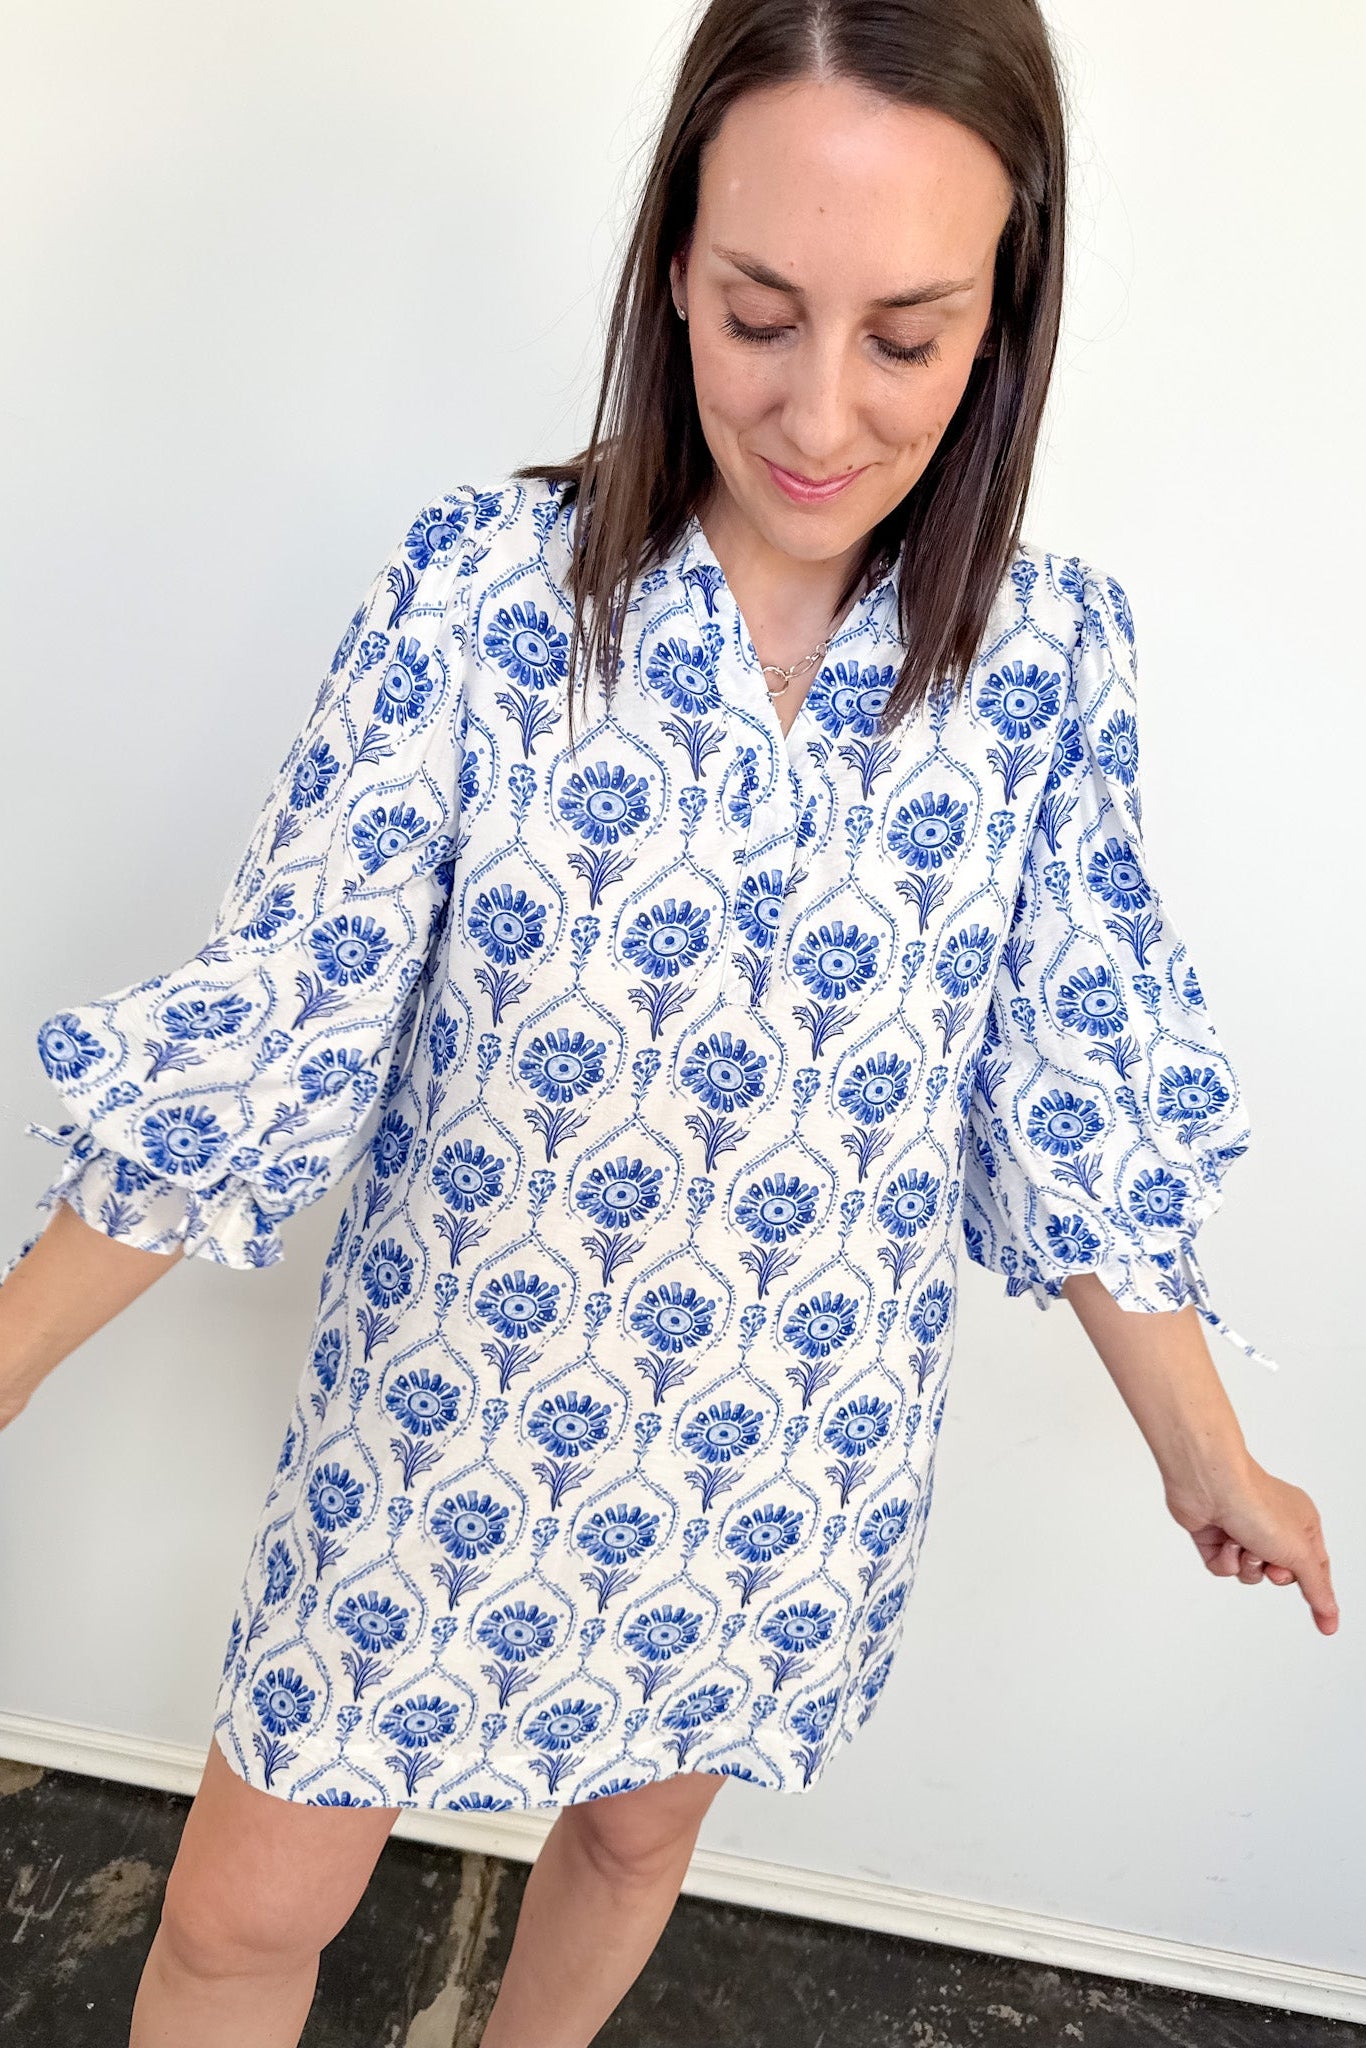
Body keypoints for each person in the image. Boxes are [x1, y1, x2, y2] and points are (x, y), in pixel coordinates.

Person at [0, 2, 1338, 2044]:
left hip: (783, 1435)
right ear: (669, 275)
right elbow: (282, 1022)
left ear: (1004, 314)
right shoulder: (482, 600)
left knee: (629, 1845)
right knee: (239, 1913)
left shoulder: (1047, 665)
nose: (816, 409)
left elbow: (1064, 1082)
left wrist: (1204, 1450)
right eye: (753, 312)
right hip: (438, 1424)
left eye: (903, 334)